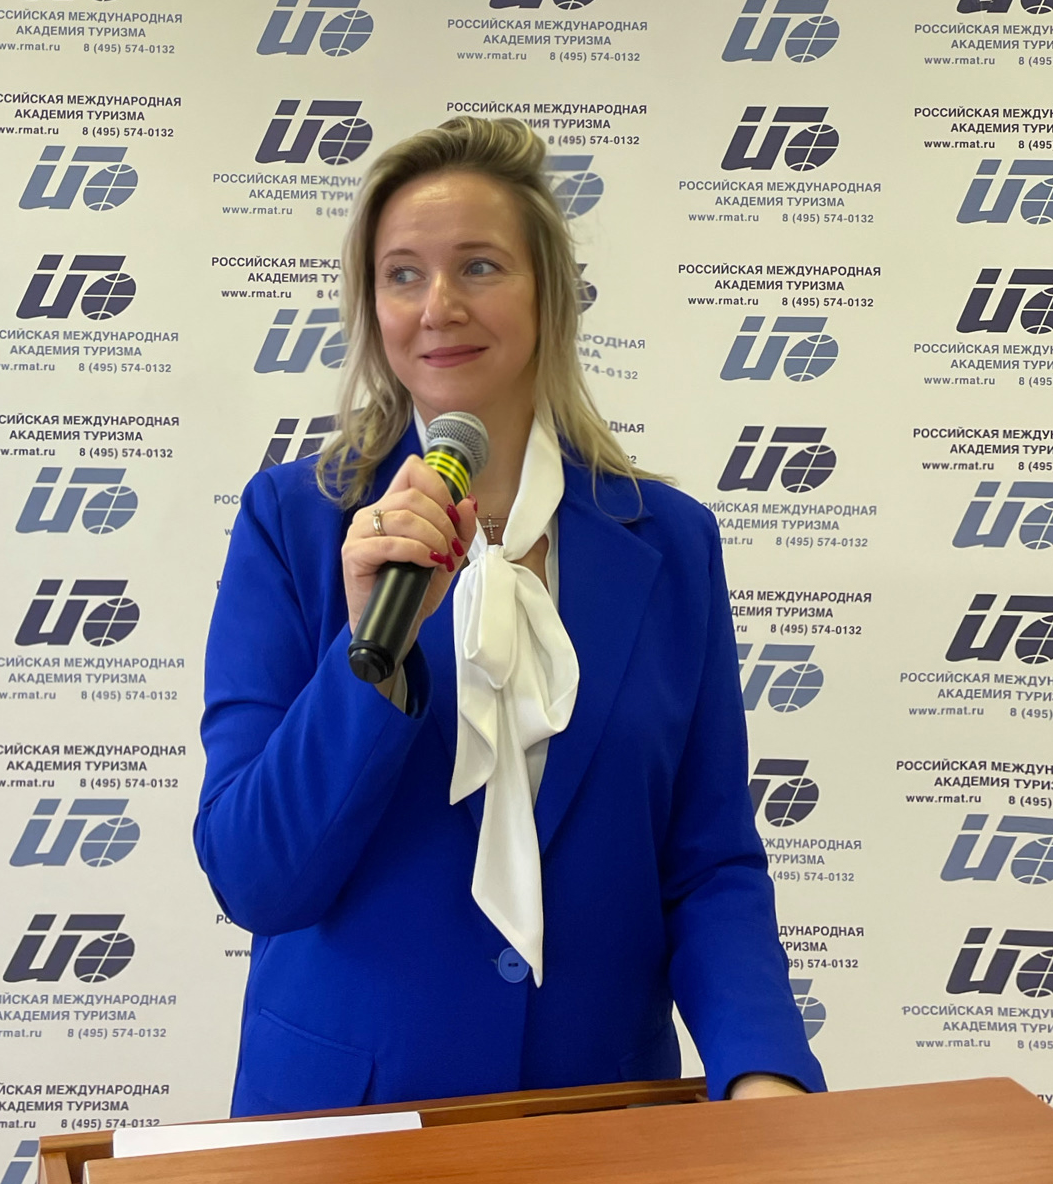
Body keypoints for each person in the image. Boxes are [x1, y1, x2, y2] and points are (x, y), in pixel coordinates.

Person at [196, 116, 824, 1118]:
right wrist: (369, 656)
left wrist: (763, 1069)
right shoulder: (292, 522)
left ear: (550, 294)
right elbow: (256, 877)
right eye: (402, 275)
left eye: (479, 266)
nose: (437, 305)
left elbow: (707, 863)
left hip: (598, 1117)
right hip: (344, 1118)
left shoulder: (671, 544)